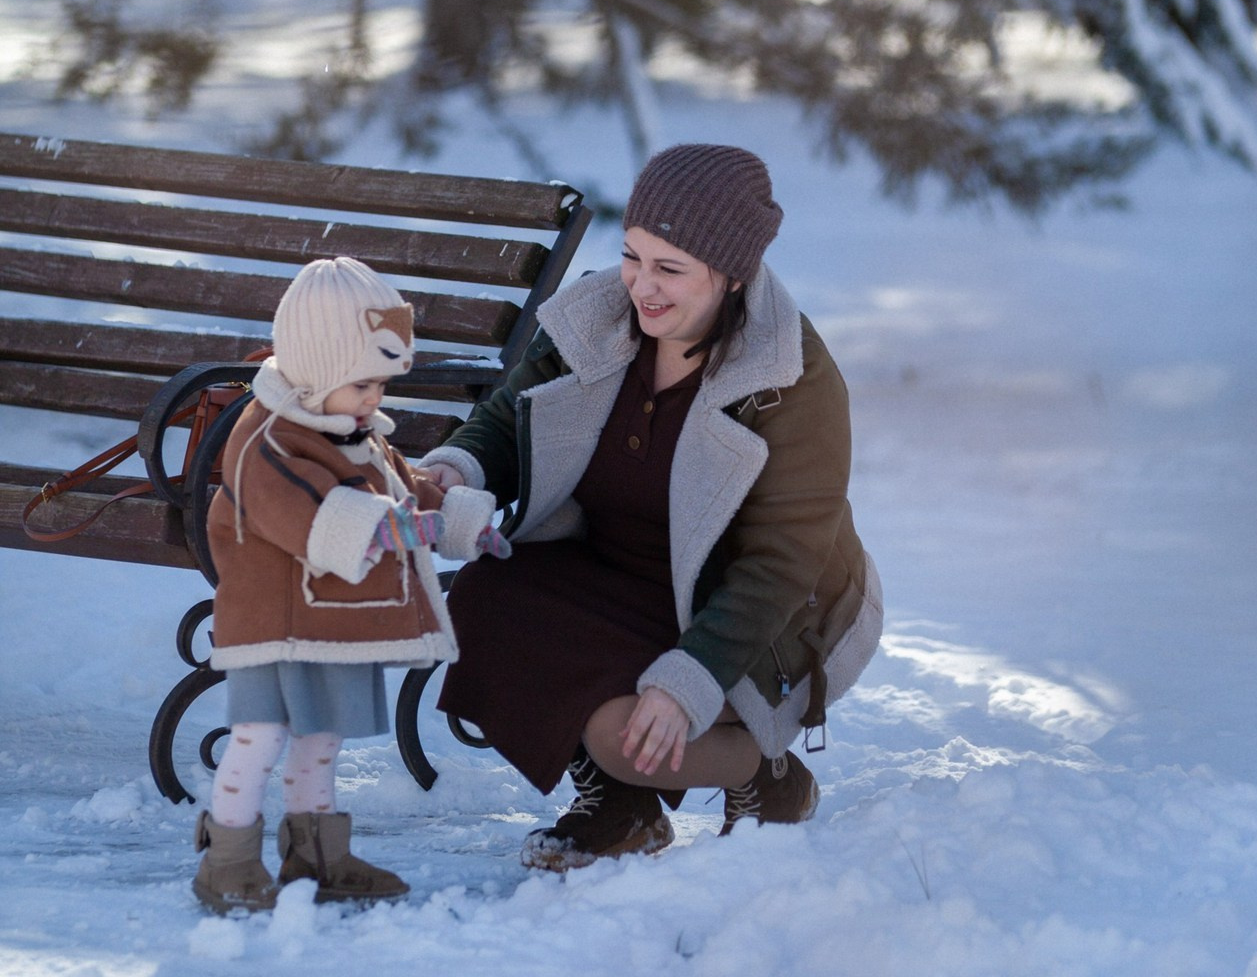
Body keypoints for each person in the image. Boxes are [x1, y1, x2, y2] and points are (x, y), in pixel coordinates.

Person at [421, 143, 884, 871]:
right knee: (485, 598)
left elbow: (782, 563)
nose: (642, 286)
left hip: (761, 612)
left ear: (733, 274)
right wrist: (456, 467)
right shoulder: (598, 318)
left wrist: (689, 678)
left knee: (628, 737)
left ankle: (767, 776)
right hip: (619, 577)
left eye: (671, 268)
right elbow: (512, 415)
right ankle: (622, 810)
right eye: (633, 256)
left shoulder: (792, 378)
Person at [192, 256, 509, 914]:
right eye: (362, 383)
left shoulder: (352, 429)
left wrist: (459, 521)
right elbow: (302, 512)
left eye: (381, 385)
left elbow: (402, 486)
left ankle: (317, 854)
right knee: (259, 736)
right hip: (273, 621)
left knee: (320, 737)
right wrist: (385, 528)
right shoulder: (268, 436)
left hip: (327, 619)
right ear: (318, 368)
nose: (374, 399)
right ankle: (228, 861)